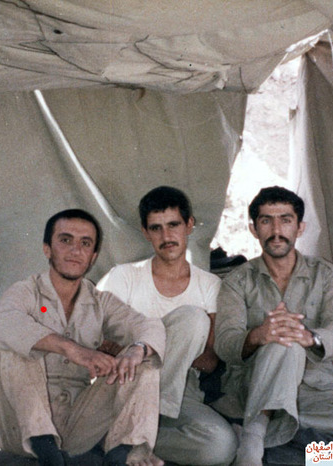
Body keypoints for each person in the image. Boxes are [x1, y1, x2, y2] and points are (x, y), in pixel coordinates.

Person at [214, 186, 333, 466]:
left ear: (300, 228)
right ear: (254, 229)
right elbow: (225, 344)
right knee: (283, 343)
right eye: (266, 221)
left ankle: (264, 426)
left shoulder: (325, 275)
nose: (276, 230)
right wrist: (258, 336)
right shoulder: (237, 281)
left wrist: (310, 337)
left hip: (315, 391)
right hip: (254, 386)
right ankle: (253, 442)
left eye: (285, 220)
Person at [0, 209, 166, 466]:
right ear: (47, 249)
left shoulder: (100, 301)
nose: (75, 250)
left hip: (74, 427)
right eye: (65, 240)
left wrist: (137, 350)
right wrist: (72, 349)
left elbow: (148, 326)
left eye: (85, 243)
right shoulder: (27, 291)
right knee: (18, 346)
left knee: (144, 360)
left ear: (93, 257)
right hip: (17, 426)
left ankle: (124, 453)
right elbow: (2, 321)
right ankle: (44, 447)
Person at [98, 186, 237, 465]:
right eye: (156, 228)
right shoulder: (123, 277)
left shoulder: (210, 286)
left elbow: (208, 360)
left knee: (221, 447)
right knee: (194, 319)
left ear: (189, 225)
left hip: (182, 392)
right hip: (126, 386)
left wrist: (142, 344)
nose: (166, 236)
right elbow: (104, 344)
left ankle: (122, 437)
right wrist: (173, 344)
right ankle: (136, 427)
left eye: (173, 225)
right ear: (145, 232)